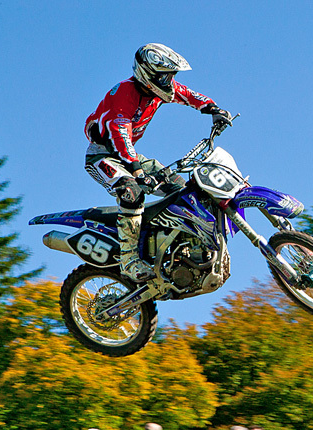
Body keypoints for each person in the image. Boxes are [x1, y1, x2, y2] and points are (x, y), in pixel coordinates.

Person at [84, 42, 232, 282]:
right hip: (103, 155)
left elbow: (188, 95)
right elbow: (119, 131)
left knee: (183, 189)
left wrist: (213, 109)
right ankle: (129, 260)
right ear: (148, 75)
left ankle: (179, 247)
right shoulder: (124, 92)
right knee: (131, 191)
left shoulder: (158, 92)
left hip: (131, 155)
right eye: (165, 76)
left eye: (171, 76)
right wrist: (137, 170)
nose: (169, 82)